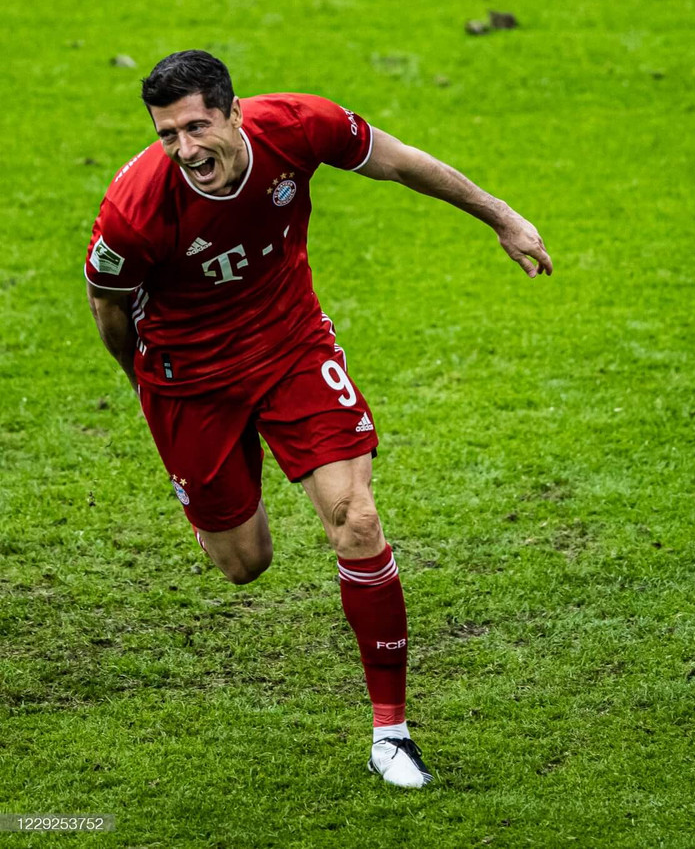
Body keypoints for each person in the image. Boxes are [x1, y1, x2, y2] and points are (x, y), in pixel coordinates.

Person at [84, 50, 553, 786]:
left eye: (198, 127)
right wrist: (151, 390)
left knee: (356, 520)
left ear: (236, 113)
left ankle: (391, 734)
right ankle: (219, 476)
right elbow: (110, 311)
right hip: (188, 381)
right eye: (168, 134)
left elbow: (398, 162)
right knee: (244, 564)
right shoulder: (136, 211)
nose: (185, 149)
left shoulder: (299, 126)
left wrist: (502, 217)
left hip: (288, 346)